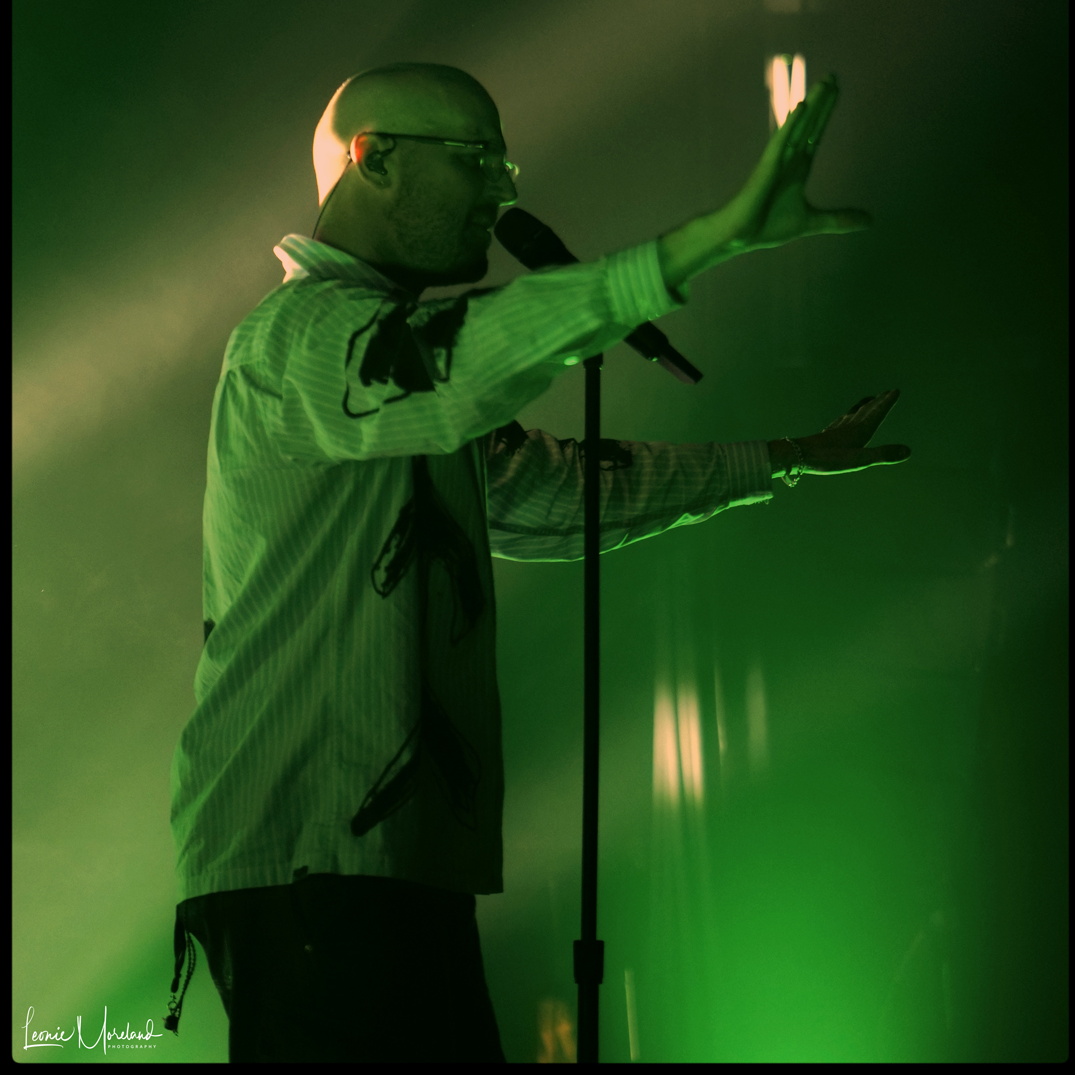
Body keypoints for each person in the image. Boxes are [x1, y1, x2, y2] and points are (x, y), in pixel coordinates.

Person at [164, 61, 911, 1062]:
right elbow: (458, 363)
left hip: (381, 862)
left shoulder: (389, 363)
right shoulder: (297, 336)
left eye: (504, 166)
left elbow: (550, 493)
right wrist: (709, 238)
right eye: (477, 160)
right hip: (308, 856)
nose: (503, 193)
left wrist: (780, 458)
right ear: (372, 157)